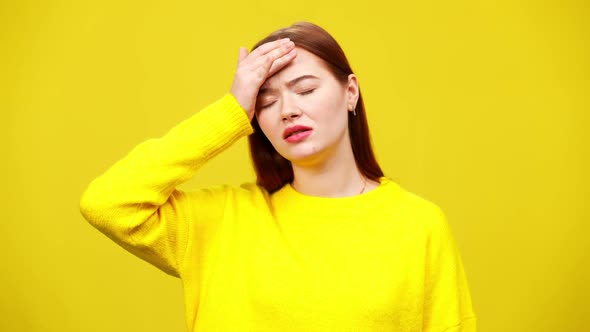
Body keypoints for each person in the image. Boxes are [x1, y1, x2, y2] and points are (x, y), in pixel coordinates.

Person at [80, 21, 476, 332]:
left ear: (350, 92)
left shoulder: (418, 224)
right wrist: (232, 110)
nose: (287, 110)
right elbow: (108, 203)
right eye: (266, 100)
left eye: (305, 89)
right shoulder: (223, 221)